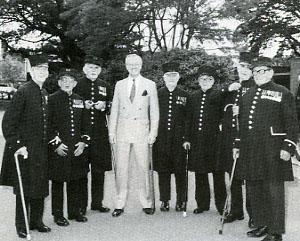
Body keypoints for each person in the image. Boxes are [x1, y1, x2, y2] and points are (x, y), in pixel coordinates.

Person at [234, 57, 298, 241]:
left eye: (263, 71)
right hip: (252, 150)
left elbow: (291, 122)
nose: (259, 74)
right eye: (256, 71)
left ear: (271, 72)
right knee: (255, 188)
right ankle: (262, 224)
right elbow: (242, 124)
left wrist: (289, 146)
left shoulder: (282, 92)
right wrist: (237, 144)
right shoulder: (247, 95)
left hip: (273, 150)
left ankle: (276, 231)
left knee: (274, 192)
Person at [0, 54, 51, 238]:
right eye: (38, 69)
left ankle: (36, 221)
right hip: (26, 150)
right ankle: (22, 225)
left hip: (42, 150)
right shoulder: (23, 91)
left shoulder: (44, 92)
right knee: (25, 189)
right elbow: (8, 124)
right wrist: (18, 146)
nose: (42, 72)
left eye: (45, 69)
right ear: (31, 71)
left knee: (40, 186)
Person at [109, 53, 159, 217]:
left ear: (141, 65)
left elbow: (155, 112)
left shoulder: (150, 85)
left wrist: (153, 132)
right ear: (125, 66)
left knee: (143, 168)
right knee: (121, 169)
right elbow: (114, 109)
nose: (133, 67)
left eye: (136, 64)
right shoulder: (120, 84)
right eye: (130, 64)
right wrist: (111, 131)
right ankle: (119, 203)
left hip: (141, 131)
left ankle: (146, 202)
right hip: (122, 130)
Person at [187, 66, 240, 215]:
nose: (205, 81)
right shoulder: (193, 97)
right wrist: (187, 138)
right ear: (198, 81)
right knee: (200, 175)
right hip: (198, 141)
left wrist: (229, 88)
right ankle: (202, 204)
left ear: (213, 81)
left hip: (215, 141)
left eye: (208, 79)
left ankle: (221, 205)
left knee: (218, 175)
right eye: (202, 79)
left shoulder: (218, 95)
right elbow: (189, 120)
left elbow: (221, 98)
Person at [48, 68, 90, 226]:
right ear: (59, 83)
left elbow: (85, 124)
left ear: (75, 83)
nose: (67, 83)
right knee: (58, 182)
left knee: (75, 180)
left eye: (70, 80)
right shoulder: (52, 99)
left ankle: (74, 212)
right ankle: (57, 215)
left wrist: (84, 142)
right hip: (60, 147)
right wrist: (56, 144)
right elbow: (48, 125)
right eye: (64, 80)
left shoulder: (79, 99)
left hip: (76, 147)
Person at [218, 52, 255, 226]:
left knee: (249, 178)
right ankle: (236, 210)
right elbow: (215, 102)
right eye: (242, 67)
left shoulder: (256, 88)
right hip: (230, 138)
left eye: (248, 67)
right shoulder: (233, 88)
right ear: (237, 68)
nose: (245, 70)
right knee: (232, 176)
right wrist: (227, 89)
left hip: (248, 140)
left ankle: (254, 215)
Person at [74, 55, 112, 214]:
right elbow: (71, 106)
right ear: (84, 69)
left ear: (100, 70)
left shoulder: (105, 85)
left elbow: (111, 106)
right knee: (82, 170)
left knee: (99, 170)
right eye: (90, 67)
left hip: (100, 134)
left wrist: (104, 106)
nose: (93, 70)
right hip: (81, 133)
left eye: (96, 68)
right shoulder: (77, 85)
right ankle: (81, 205)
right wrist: (83, 105)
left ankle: (97, 202)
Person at [152, 62, 190, 212]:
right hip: (161, 139)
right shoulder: (157, 94)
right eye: (168, 75)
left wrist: (186, 138)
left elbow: (188, 119)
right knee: (163, 171)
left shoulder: (185, 95)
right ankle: (164, 200)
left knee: (181, 172)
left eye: (174, 75)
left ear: (179, 77)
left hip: (179, 140)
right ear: (164, 77)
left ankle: (181, 201)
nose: (171, 78)